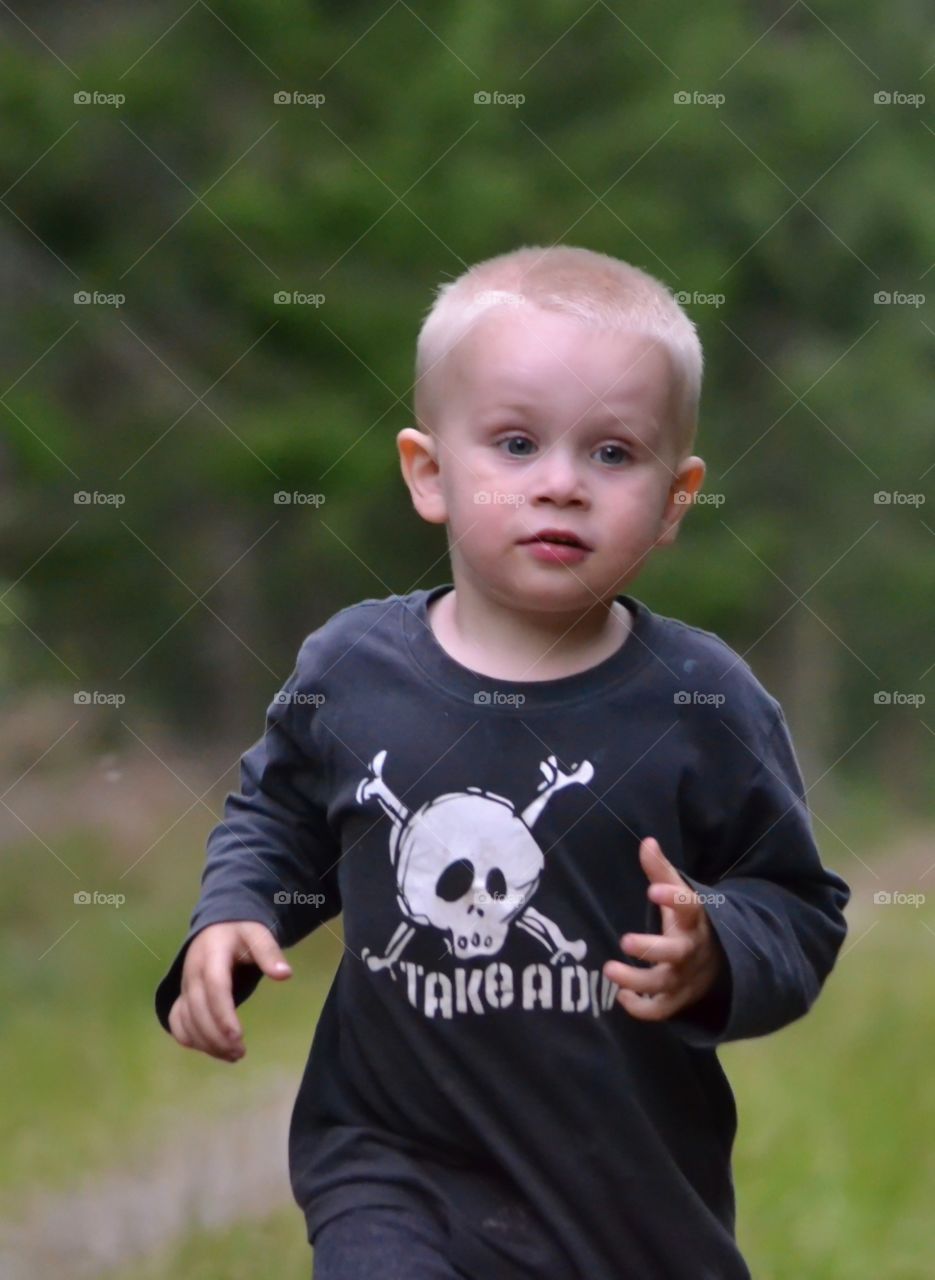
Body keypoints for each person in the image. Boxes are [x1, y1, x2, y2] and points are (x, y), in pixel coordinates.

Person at [154, 244, 851, 1279]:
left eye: (613, 454)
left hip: (627, 1194)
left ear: (673, 497)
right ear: (430, 472)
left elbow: (797, 903)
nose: (562, 484)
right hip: (391, 1162)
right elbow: (278, 818)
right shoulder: (352, 669)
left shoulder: (700, 702)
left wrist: (718, 951)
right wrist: (233, 913)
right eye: (517, 443)